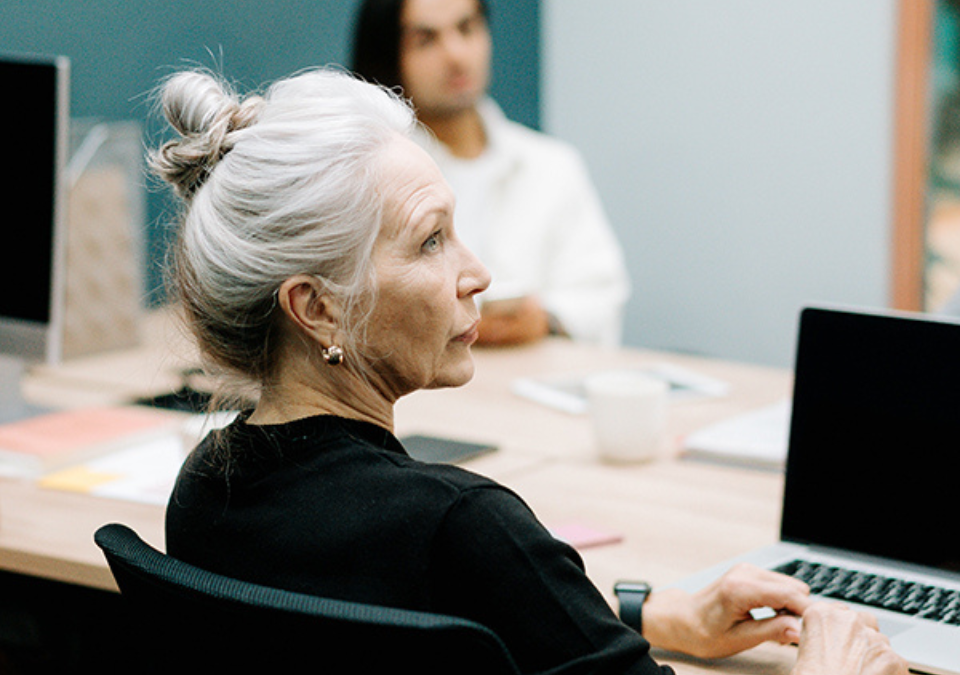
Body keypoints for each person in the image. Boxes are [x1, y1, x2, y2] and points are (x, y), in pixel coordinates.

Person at [156, 67, 908, 675]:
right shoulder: (464, 526)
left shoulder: (206, 489)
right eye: (430, 242)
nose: (477, 272)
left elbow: (417, 624)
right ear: (316, 307)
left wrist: (651, 616)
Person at [351, 0, 631, 347]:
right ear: (389, 55)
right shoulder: (369, 178)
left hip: (533, 385)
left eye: (467, 28)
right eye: (426, 39)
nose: (455, 54)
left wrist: (544, 319)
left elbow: (601, 295)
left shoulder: (551, 165)